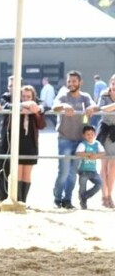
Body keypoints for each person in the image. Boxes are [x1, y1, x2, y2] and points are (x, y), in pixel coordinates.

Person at [0, 85, 47, 203]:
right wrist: (21, 106)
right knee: (17, 171)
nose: (26, 98)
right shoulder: (14, 106)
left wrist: (37, 111)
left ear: (33, 97)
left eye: (28, 96)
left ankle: (23, 200)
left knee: (27, 173)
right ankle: (17, 199)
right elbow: (5, 106)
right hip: (17, 142)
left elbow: (42, 124)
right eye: (23, 96)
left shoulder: (37, 107)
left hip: (31, 142)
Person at [52, 70, 95, 209]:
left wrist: (90, 108)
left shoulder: (85, 96)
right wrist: (64, 106)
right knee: (63, 172)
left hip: (79, 141)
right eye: (69, 81)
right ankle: (57, 197)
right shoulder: (63, 95)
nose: (71, 84)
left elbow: (94, 105)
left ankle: (67, 199)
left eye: (74, 81)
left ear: (80, 82)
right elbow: (54, 106)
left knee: (72, 174)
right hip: (64, 138)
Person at [90, 73, 115, 208]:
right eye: (114, 83)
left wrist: (110, 107)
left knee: (112, 168)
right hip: (105, 129)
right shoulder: (104, 95)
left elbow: (107, 109)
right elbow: (101, 110)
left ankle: (109, 195)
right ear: (110, 83)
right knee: (103, 166)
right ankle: (103, 196)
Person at [75, 125, 105, 209]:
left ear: (95, 134)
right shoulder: (83, 144)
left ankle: (85, 196)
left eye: (92, 134)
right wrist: (88, 154)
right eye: (87, 134)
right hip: (83, 170)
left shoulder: (97, 143)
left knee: (100, 183)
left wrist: (96, 155)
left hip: (93, 170)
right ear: (84, 135)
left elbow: (103, 153)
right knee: (82, 187)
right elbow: (78, 153)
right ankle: (83, 203)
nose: (90, 136)